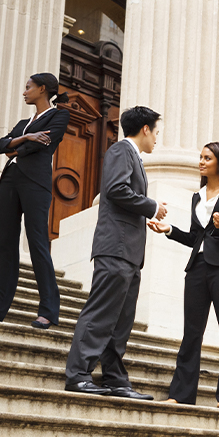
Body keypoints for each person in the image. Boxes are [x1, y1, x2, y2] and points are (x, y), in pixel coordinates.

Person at [64, 106, 168, 400]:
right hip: (116, 247)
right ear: (145, 129)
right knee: (100, 314)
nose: (157, 139)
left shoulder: (133, 156)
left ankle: (114, 378)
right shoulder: (121, 151)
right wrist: (151, 206)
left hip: (130, 252)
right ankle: (78, 375)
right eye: (156, 132)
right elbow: (116, 190)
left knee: (120, 320)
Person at [147, 142, 219, 409]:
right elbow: (196, 237)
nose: (201, 162)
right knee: (191, 332)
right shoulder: (198, 195)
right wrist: (169, 229)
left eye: (208, 158)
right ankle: (181, 393)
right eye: (200, 157)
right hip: (197, 267)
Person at [0, 73, 71, 329]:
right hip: (10, 180)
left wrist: (17, 146)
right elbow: (1, 147)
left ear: (42, 89)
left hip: (35, 183)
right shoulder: (23, 123)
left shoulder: (60, 115)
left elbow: (45, 143)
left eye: (28, 87)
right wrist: (27, 138)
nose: (24, 91)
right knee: (5, 244)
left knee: (38, 242)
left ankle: (49, 311)